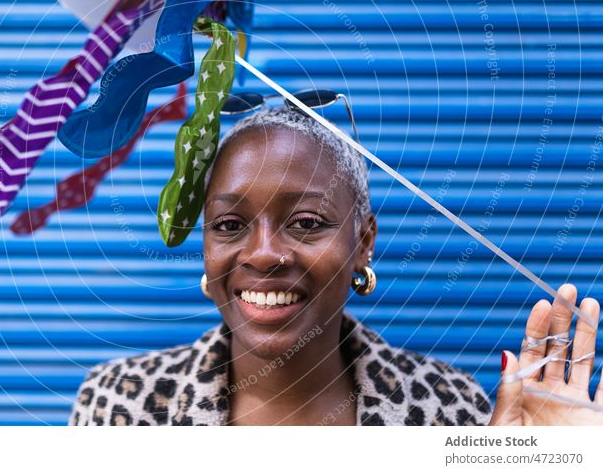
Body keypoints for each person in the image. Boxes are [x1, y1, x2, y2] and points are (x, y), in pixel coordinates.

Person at [69, 103, 602, 426]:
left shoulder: (451, 411)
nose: (263, 253)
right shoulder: (118, 407)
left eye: (305, 222)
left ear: (363, 242)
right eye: (229, 225)